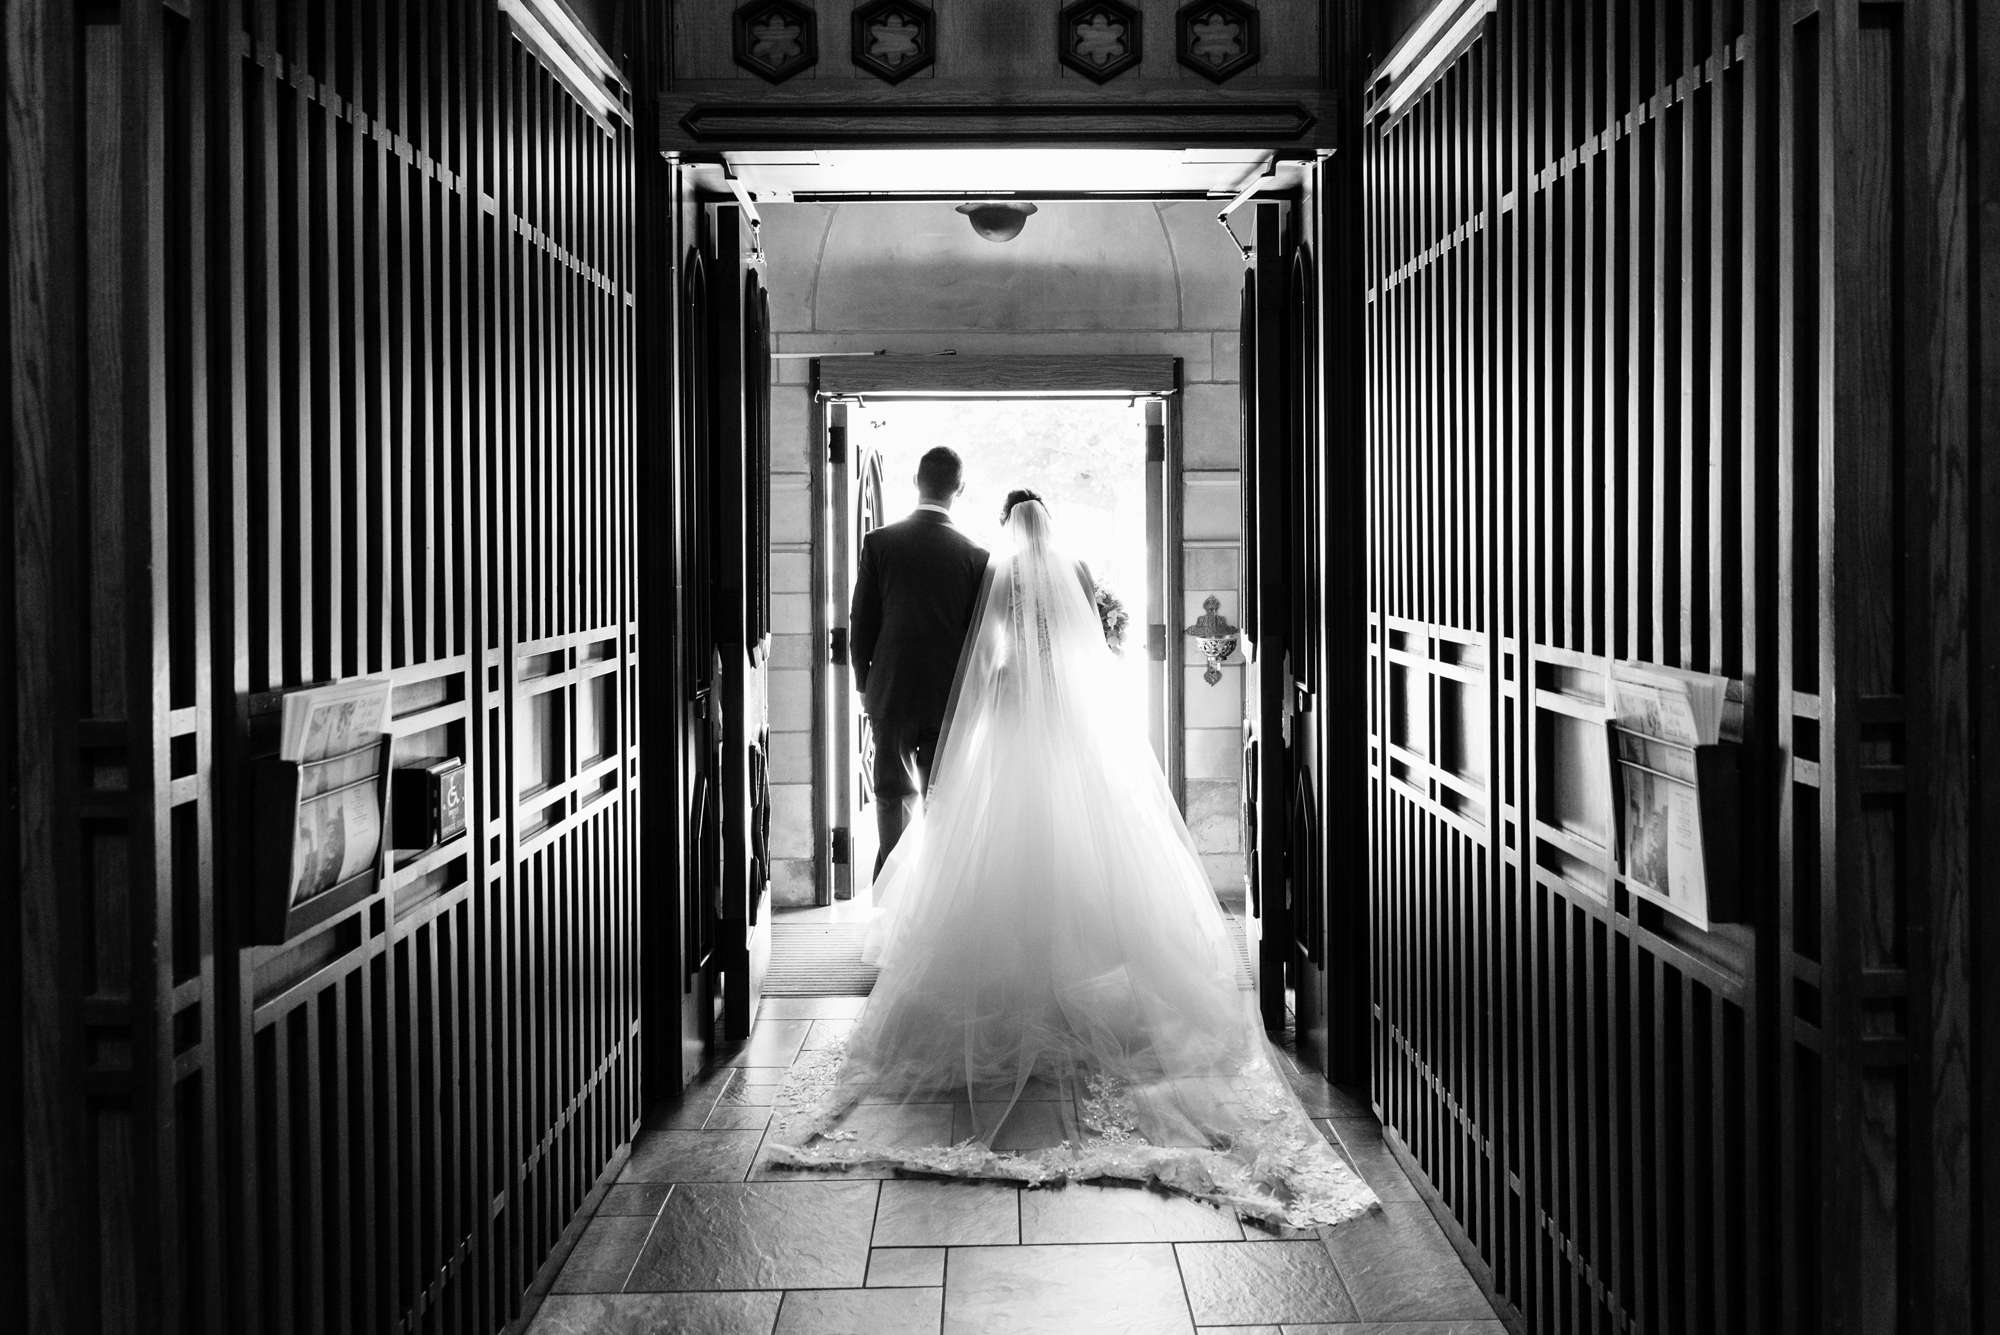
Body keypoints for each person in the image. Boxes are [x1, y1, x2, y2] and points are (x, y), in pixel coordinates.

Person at [774, 492, 1377, 1229]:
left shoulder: (1000, 574)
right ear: (1052, 522)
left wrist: (995, 696)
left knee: (1006, 850)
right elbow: (1092, 642)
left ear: (1007, 526)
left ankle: (1023, 978)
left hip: (1017, 714)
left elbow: (988, 653)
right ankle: (1089, 976)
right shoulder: (1077, 567)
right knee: (1089, 847)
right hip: (1070, 719)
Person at [848, 446, 990, 875]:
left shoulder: (880, 542)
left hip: (891, 689)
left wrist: (863, 683)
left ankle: (890, 892)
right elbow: (977, 634)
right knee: (943, 797)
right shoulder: (976, 554)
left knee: (891, 792)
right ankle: (939, 892)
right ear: (959, 488)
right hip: (949, 695)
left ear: (915, 482)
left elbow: (862, 620)